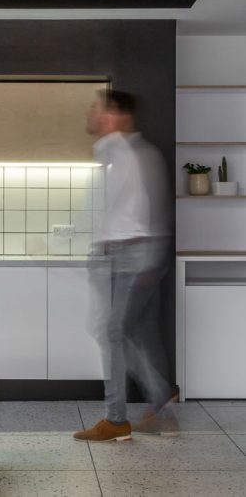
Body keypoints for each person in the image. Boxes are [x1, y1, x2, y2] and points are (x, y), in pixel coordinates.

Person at [74, 90, 176, 442]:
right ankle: (162, 408)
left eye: (98, 108)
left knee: (112, 332)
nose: (92, 114)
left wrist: (145, 262)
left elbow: (131, 213)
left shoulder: (121, 152)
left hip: (133, 257)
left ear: (118, 115)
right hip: (125, 256)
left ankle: (117, 420)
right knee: (138, 333)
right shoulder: (122, 153)